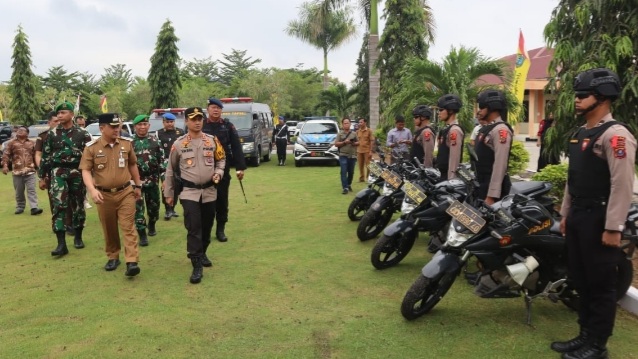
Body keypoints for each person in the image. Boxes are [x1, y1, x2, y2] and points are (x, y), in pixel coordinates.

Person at [551, 68, 637, 359]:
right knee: (581, 279)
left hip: (600, 219)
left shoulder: (616, 136)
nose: (576, 100)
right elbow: (574, 179)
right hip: (579, 216)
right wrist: (565, 213)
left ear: (602, 97)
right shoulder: (581, 133)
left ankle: (598, 345)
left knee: (600, 284)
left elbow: (622, 184)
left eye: (582, 95)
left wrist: (613, 226)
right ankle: (584, 335)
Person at [164, 107, 226, 284]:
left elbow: (221, 159)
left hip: (209, 192)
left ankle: (203, 251)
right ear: (186, 121)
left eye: (200, 118)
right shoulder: (179, 144)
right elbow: (170, 169)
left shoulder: (212, 141)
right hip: (189, 192)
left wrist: (219, 173)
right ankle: (196, 263)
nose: (197, 121)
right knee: (194, 227)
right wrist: (169, 193)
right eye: (194, 119)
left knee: (207, 227)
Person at [80, 113, 143, 277]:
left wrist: (138, 185)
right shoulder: (91, 147)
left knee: (128, 226)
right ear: (102, 128)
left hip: (125, 192)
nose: (117, 129)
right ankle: (113, 256)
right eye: (113, 127)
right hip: (103, 195)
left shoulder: (126, 144)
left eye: (119, 126)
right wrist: (92, 190)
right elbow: (85, 170)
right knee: (109, 229)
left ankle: (132, 261)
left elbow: (132, 164)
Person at [38, 101, 91, 256]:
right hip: (58, 172)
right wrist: (42, 176)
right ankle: (61, 244)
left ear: (71, 115)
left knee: (78, 204)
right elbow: (46, 156)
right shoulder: (52, 134)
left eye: (63, 113)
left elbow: (89, 156)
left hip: (77, 172)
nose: (60, 116)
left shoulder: (82, 133)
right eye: (58, 113)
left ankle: (78, 236)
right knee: (59, 205)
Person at [202, 97, 247, 242]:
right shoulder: (201, 125)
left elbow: (236, 147)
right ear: (208, 109)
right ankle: (205, 230)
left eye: (218, 108)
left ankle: (220, 229)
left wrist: (240, 167)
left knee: (222, 200)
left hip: (223, 168)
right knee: (205, 201)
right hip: (203, 168)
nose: (216, 110)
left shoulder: (228, 126)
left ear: (221, 110)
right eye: (213, 107)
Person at [473, 90, 513, 205]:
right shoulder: (487, 128)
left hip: (492, 190)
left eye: (481, 107)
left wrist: (492, 195)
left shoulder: (500, 130)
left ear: (492, 107)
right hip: (482, 184)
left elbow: (500, 164)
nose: (478, 111)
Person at [131, 114, 163, 246]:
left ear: (149, 126)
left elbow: (163, 161)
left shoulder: (156, 142)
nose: (142, 127)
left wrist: (164, 178)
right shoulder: (129, 143)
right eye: (139, 125)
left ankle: (152, 224)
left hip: (152, 179)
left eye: (145, 124)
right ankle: (142, 234)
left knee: (154, 207)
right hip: (136, 181)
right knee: (137, 209)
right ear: (135, 127)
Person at [2, 125, 43, 215]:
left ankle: (34, 207)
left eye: (22, 130)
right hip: (17, 171)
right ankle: (20, 207)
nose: (20, 131)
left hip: (30, 171)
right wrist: (5, 166)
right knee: (19, 191)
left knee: (31, 189)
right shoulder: (11, 143)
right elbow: (6, 155)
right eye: (19, 130)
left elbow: (36, 156)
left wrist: (39, 168)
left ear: (27, 134)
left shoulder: (32, 143)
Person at [156, 112, 185, 220]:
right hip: (164, 163)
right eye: (167, 122)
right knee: (166, 186)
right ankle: (167, 209)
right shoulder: (158, 133)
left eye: (171, 122)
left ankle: (172, 208)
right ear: (163, 122)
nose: (169, 124)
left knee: (177, 186)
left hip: (177, 163)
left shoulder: (180, 132)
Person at [436, 94, 465, 181]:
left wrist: (451, 181)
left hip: (448, 178)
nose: (439, 113)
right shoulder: (447, 129)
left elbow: (454, 159)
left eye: (441, 110)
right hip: (443, 175)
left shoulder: (454, 131)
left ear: (450, 111)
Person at [335, 117, 358, 194]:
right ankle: (345, 187)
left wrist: (353, 143)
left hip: (352, 156)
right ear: (342, 124)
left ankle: (348, 184)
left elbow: (358, 143)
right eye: (345, 123)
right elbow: (336, 144)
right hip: (343, 155)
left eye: (347, 123)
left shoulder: (354, 133)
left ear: (350, 124)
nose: (346, 124)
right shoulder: (340, 133)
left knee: (351, 172)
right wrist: (344, 142)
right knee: (343, 171)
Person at [355, 118, 374, 182]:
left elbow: (371, 141)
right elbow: (356, 141)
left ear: (365, 123)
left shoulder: (369, 131)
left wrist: (371, 151)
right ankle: (361, 178)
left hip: (367, 151)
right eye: (359, 122)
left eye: (361, 122)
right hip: (359, 151)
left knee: (368, 165)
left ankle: (368, 178)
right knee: (360, 165)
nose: (359, 123)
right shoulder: (357, 131)